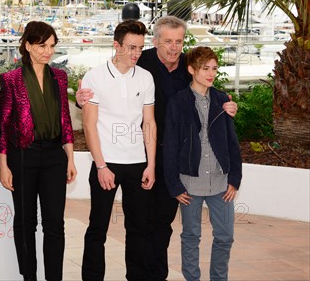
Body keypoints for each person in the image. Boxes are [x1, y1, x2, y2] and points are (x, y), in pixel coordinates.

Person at [77, 16, 238, 280]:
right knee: (118, 225)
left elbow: (206, 85)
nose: (173, 48)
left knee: (160, 225)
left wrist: (226, 103)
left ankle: (155, 275)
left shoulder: (186, 64)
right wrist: (81, 101)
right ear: (156, 42)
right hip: (138, 157)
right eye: (167, 42)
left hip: (169, 161)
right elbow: (101, 102)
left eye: (179, 42)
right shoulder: (143, 61)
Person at [0, 21, 77, 281]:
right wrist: (3, 165)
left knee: (55, 224)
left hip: (55, 155)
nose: (48, 52)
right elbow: (4, 124)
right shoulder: (11, 79)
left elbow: (65, 119)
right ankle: (28, 277)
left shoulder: (60, 77)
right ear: (28, 46)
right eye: (42, 45)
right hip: (23, 155)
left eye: (52, 46)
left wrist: (70, 158)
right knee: (25, 222)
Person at [80, 19, 157, 281]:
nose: (136, 54)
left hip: (138, 164)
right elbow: (89, 125)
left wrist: (151, 164)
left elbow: (149, 122)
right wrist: (101, 165)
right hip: (107, 163)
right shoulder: (94, 76)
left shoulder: (146, 77)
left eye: (140, 48)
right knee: (97, 228)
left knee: (139, 228)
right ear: (117, 45)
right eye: (131, 47)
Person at [163, 46, 242, 281]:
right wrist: (174, 184)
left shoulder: (222, 100)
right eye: (205, 68)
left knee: (225, 236)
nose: (211, 73)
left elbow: (231, 143)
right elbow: (170, 145)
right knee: (190, 236)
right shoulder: (178, 102)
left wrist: (235, 178)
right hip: (189, 184)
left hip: (220, 181)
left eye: (214, 69)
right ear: (191, 69)